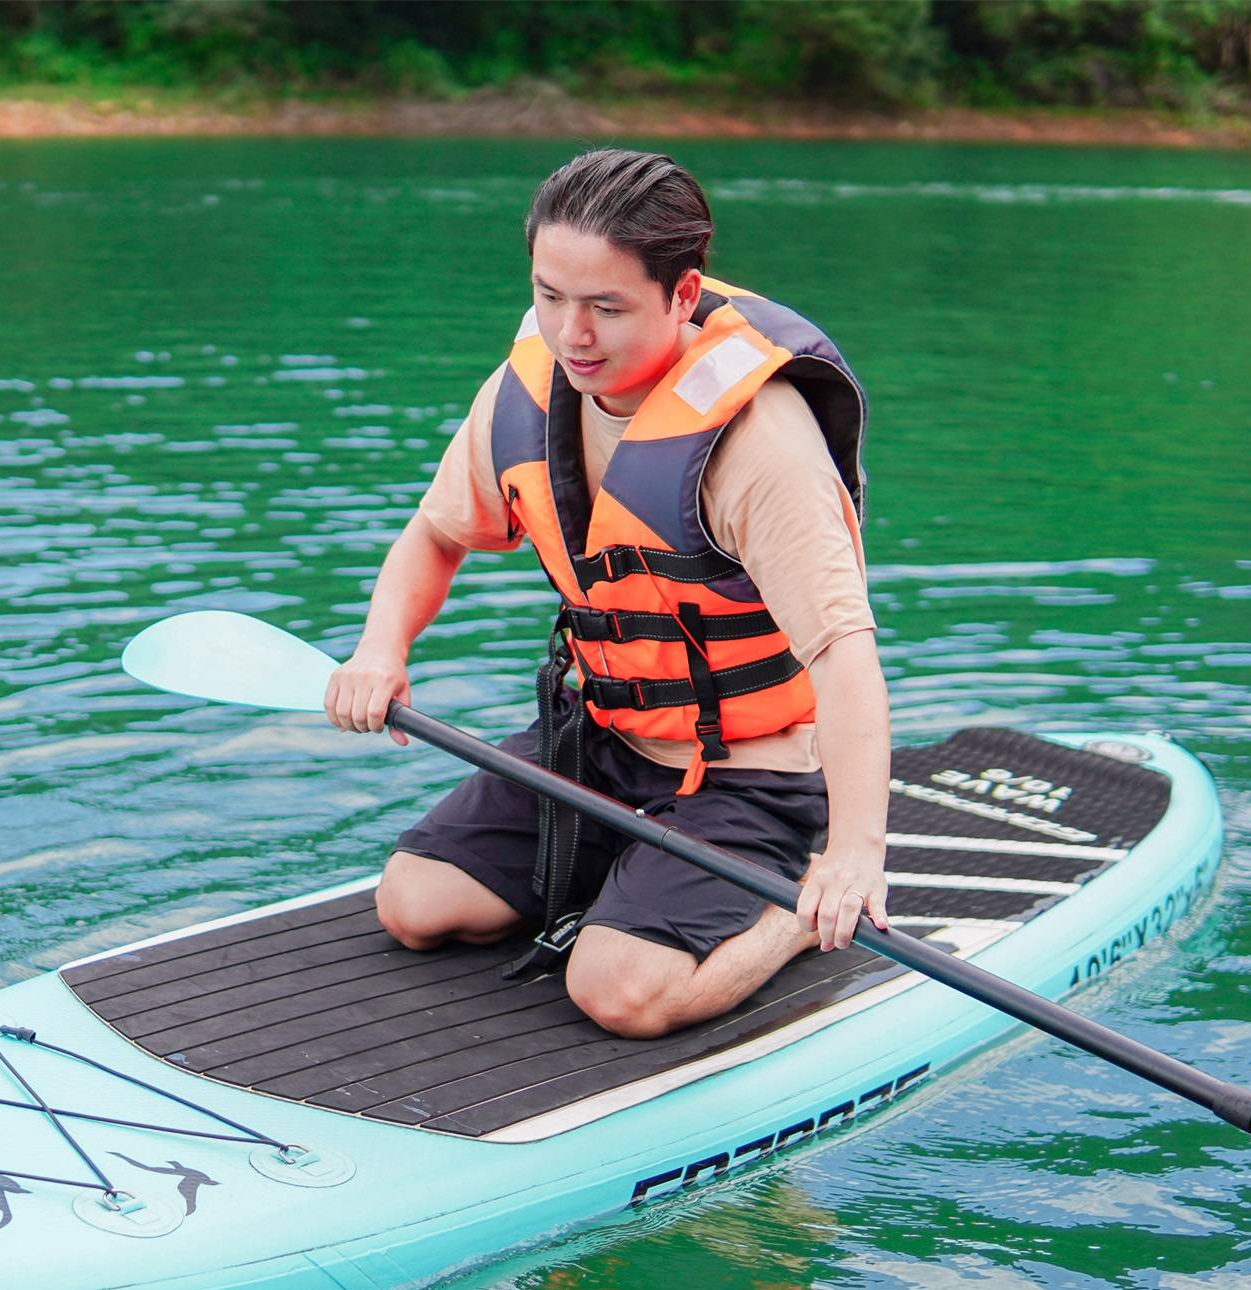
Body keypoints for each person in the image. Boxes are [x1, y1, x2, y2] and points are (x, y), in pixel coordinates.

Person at [323, 147, 891, 1040]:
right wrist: (379, 649)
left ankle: (790, 907)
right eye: (549, 296)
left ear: (680, 293)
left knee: (617, 991)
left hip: (750, 770)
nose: (571, 335)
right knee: (416, 904)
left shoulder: (759, 446)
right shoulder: (526, 392)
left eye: (605, 307)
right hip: (603, 738)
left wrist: (856, 856)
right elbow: (435, 534)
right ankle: (642, 870)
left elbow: (844, 655)